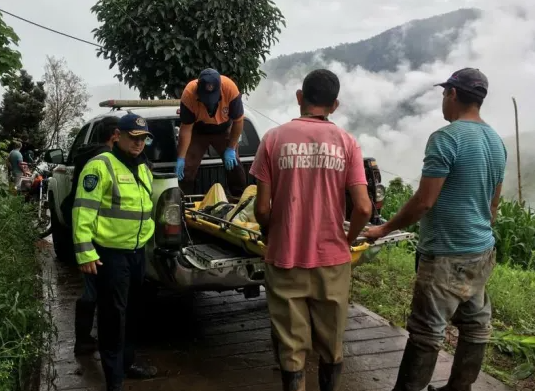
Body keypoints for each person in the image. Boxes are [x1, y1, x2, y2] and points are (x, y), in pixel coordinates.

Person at [363, 68, 507, 391]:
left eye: (444, 93)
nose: (443, 100)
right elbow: (493, 206)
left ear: (452, 94)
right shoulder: (497, 142)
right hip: (482, 252)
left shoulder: (446, 139)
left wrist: (383, 228)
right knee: (475, 325)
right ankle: (459, 388)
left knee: (427, 332)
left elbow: (424, 201)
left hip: (445, 255)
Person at [250, 69, 373, 391]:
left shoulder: (273, 139)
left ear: (299, 98)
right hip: (332, 260)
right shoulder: (348, 143)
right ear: (334, 105)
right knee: (331, 346)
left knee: (291, 350)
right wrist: (345, 241)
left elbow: (261, 208)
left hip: (284, 257)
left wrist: (273, 231)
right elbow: (363, 207)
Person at [73, 113, 158, 391]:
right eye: (133, 138)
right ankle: (114, 379)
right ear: (117, 136)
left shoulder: (142, 167)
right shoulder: (100, 166)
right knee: (113, 316)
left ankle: (127, 362)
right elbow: (83, 211)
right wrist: (85, 253)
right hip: (109, 254)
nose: (138, 144)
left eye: (143, 139)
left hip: (136, 252)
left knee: (133, 312)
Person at [64, 116, 120, 355]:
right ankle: (86, 341)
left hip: (86, 228)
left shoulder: (87, 154)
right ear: (115, 135)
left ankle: (84, 339)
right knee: (95, 289)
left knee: (91, 288)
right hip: (97, 232)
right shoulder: (106, 160)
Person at [176, 68, 247, 197]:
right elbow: (186, 129)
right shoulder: (189, 93)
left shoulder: (230, 88)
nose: (209, 101)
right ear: (198, 88)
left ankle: (240, 199)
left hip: (223, 130)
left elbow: (238, 121)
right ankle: (184, 201)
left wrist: (231, 148)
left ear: (220, 88)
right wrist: (181, 157)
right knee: (187, 166)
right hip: (198, 131)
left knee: (234, 164)